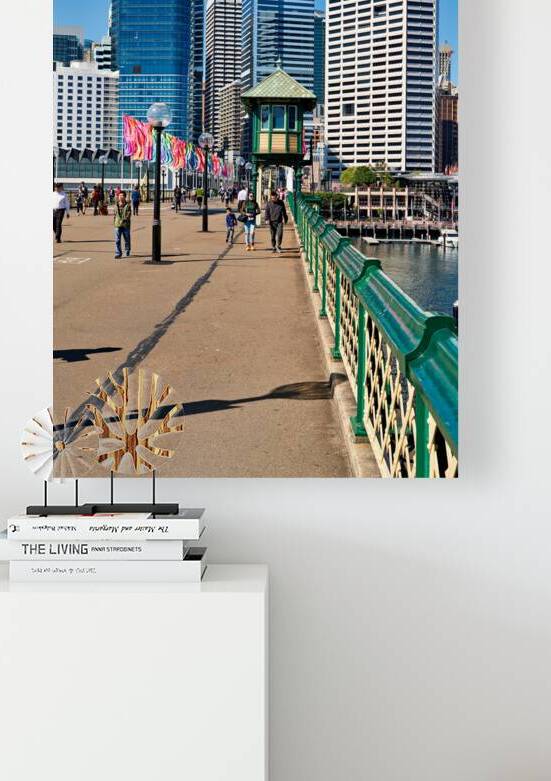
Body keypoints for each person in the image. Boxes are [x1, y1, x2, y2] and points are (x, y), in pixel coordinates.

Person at [113, 191, 132, 259]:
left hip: (125, 225)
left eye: (122, 195)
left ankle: (127, 250)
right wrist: (115, 222)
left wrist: (124, 220)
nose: (120, 197)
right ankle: (118, 253)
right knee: (117, 240)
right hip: (117, 225)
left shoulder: (128, 205)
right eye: (119, 195)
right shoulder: (116, 205)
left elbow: (128, 215)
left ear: (124, 197)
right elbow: (115, 214)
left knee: (127, 239)